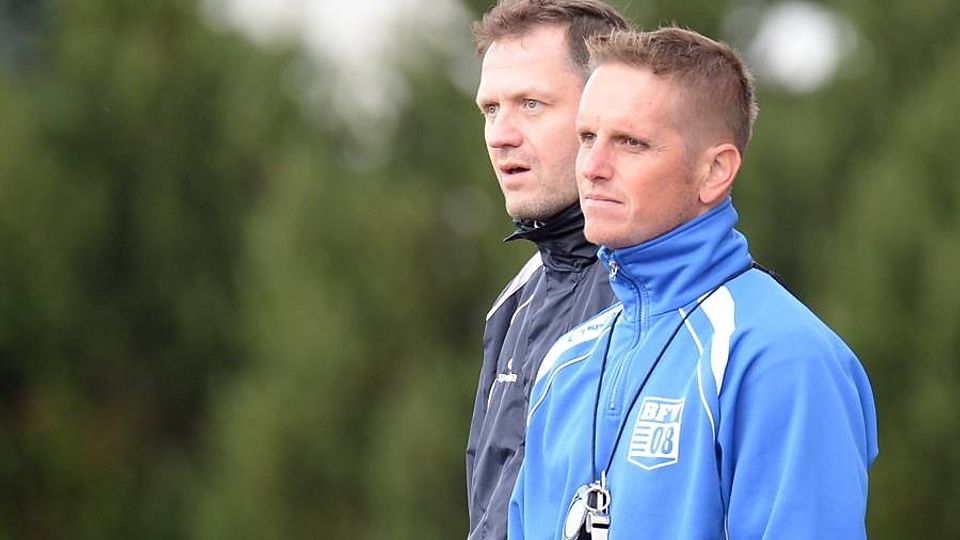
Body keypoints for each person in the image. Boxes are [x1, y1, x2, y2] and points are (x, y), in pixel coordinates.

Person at [509, 27, 879, 539]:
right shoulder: (565, 364)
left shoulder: (781, 357)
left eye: (631, 143)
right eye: (587, 138)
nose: (591, 167)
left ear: (715, 171)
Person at [465, 2, 629, 539]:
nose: (500, 134)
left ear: (606, 111)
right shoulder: (517, 300)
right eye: (490, 109)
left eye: (531, 104)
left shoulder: (673, 299)